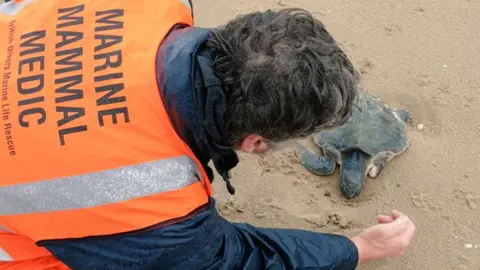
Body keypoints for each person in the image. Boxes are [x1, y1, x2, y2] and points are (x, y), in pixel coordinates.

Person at [0, 0, 415, 269]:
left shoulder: (156, 6)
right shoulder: (151, 204)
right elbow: (229, 259)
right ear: (254, 143)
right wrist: (359, 248)